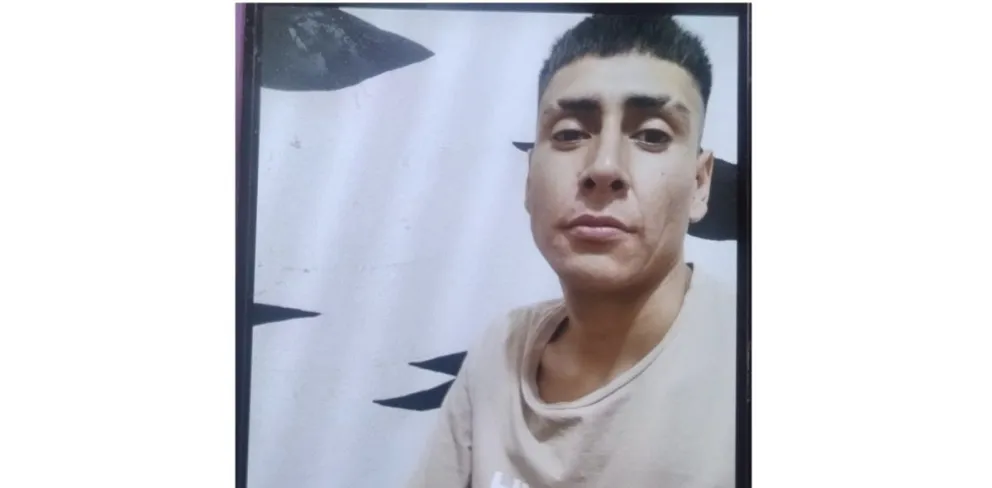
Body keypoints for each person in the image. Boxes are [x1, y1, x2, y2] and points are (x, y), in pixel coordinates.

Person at [408, 14, 736, 488]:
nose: (603, 167)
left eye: (652, 135)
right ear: (529, 178)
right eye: (568, 134)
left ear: (700, 183)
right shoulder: (501, 347)